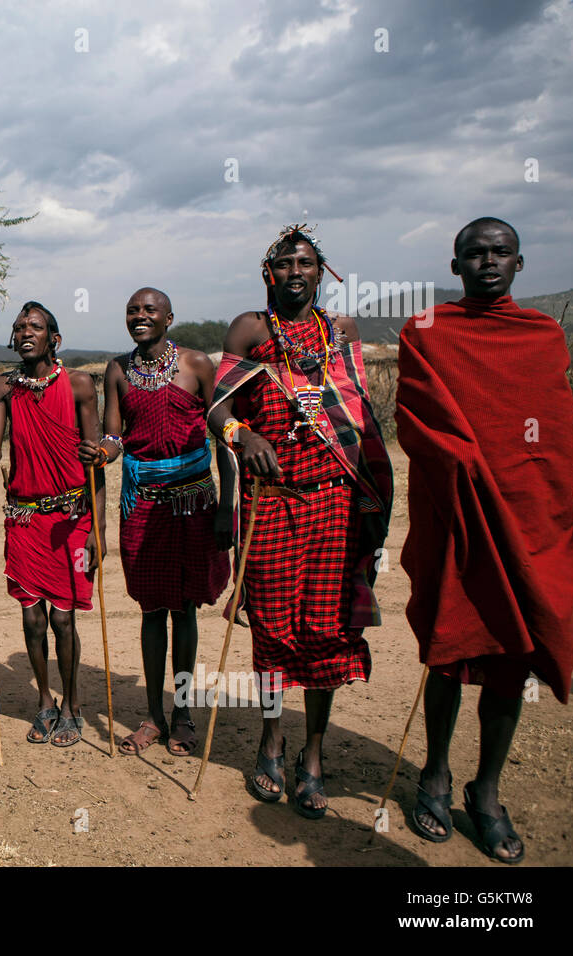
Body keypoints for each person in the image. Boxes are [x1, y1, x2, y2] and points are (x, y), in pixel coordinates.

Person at [397, 217, 573, 863]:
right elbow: (419, 422)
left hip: (528, 520)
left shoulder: (544, 334)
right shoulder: (428, 333)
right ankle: (436, 773)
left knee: (513, 648)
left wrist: (548, 508)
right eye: (474, 254)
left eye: (500, 253)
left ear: (519, 264)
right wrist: (470, 475)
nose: (488, 263)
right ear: (455, 267)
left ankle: (487, 790)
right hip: (458, 519)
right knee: (449, 650)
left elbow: (554, 434)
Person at [207, 225, 393, 818]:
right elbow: (217, 410)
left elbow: (358, 412)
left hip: (333, 501)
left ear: (322, 272)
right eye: (284, 262)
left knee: (325, 626)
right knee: (272, 624)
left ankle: (312, 754)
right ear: (269, 274)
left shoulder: (343, 332)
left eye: (305, 262)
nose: (295, 270)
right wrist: (245, 434)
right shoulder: (249, 329)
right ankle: (271, 738)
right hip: (272, 500)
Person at [79, 288, 231, 757]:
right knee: (150, 610)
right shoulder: (118, 370)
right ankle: (152, 716)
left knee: (184, 610)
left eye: (149, 310)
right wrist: (103, 451)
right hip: (142, 504)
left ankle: (182, 713)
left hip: (193, 504)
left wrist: (228, 508)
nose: (140, 316)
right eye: (132, 310)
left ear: (169, 317)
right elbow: (113, 433)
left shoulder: (198, 364)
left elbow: (222, 436)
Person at [0, 302, 103, 747]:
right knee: (31, 618)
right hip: (24, 515)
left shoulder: (80, 385)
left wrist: (99, 527)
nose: (26, 332)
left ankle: (73, 704)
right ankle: (44, 700)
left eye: (36, 327)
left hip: (70, 518)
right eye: (20, 326)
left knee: (63, 619)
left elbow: (95, 462)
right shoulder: (4, 386)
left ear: (53, 339)